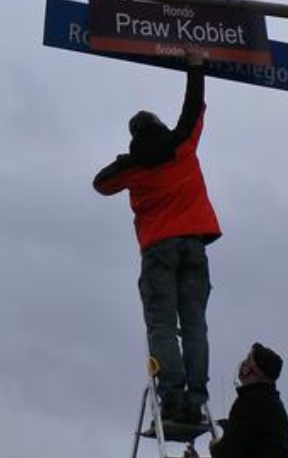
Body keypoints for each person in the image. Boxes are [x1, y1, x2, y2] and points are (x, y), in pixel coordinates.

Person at [92, 52, 220, 425]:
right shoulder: (182, 146)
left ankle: (173, 396)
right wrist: (196, 65)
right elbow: (194, 108)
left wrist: (128, 160)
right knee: (195, 324)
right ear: (160, 126)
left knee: (162, 325)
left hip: (158, 249)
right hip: (194, 245)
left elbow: (100, 184)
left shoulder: (134, 170)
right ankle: (196, 398)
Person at [210, 343, 288, 458]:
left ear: (258, 372)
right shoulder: (271, 403)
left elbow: (230, 453)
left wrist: (215, 447)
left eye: (248, 360)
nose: (243, 363)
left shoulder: (249, 403)